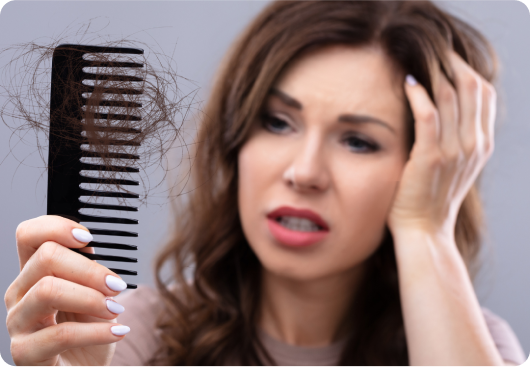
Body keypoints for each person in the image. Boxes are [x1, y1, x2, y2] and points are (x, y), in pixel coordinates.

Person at [5, 0, 527, 366]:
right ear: (235, 140)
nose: (303, 172)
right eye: (278, 122)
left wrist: (424, 227)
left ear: (427, 169)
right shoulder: (133, 337)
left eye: (359, 141)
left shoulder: (477, 347)